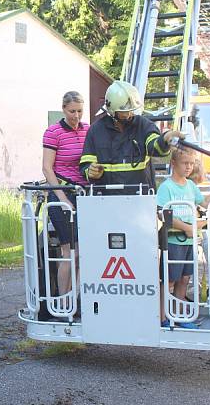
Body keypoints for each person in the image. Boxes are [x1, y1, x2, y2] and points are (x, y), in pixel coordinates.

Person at [156, 146, 210, 328]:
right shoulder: (166, 187)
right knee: (169, 279)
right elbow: (162, 212)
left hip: (190, 241)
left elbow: (204, 204)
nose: (189, 167)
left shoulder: (191, 186)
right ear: (173, 163)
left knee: (185, 279)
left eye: (192, 164)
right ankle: (162, 317)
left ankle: (178, 315)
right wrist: (186, 227)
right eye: (185, 163)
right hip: (174, 241)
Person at [79, 80, 183, 189]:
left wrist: (164, 139)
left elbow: (155, 147)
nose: (129, 114)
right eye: (125, 111)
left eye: (131, 110)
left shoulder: (143, 125)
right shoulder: (96, 130)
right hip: (106, 198)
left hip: (141, 198)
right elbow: (86, 163)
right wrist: (90, 171)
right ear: (112, 110)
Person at [41, 91, 88, 305]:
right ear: (63, 109)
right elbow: (47, 169)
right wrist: (62, 197)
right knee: (69, 251)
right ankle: (62, 300)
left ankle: (76, 297)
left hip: (84, 193)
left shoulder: (88, 130)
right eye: (72, 111)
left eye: (79, 111)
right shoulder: (53, 132)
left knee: (82, 252)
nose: (76, 116)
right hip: (61, 193)